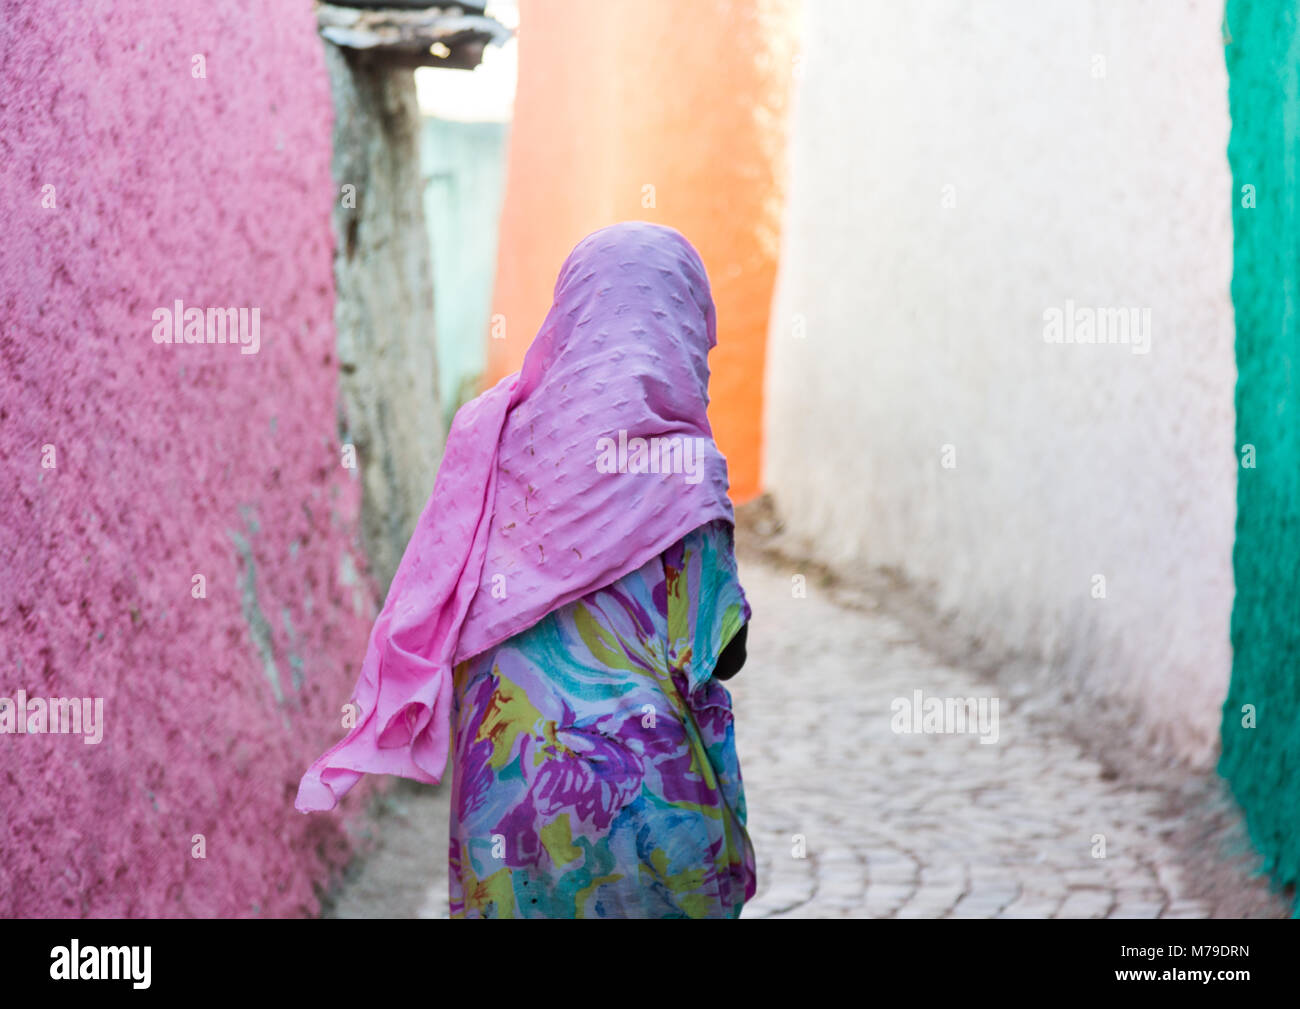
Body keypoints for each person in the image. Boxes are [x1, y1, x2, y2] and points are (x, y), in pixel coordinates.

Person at [296, 221, 755, 918]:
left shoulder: (495, 441)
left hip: (507, 799)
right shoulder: (685, 468)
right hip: (650, 804)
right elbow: (719, 650)